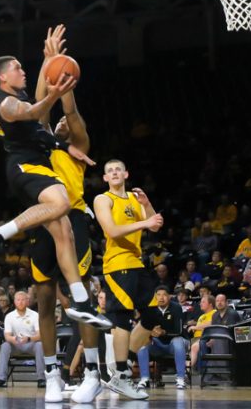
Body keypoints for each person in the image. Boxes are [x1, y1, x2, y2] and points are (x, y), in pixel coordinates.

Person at [0, 38, 108, 331]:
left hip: (36, 165)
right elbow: (35, 111)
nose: (22, 70)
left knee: (65, 235)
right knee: (61, 203)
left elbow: (36, 104)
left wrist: (49, 60)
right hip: (25, 166)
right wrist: (56, 93)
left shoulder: (19, 95)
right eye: (17, 67)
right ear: (2, 76)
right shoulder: (6, 103)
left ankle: (81, 302)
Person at [30, 24, 105, 403]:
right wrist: (47, 64)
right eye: (54, 121)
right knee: (44, 299)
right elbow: (38, 111)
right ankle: (53, 377)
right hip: (41, 219)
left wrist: (65, 80)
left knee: (81, 300)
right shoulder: (41, 142)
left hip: (73, 218)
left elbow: (69, 112)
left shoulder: (77, 141)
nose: (59, 121)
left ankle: (92, 373)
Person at [94, 159, 163, 400]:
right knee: (121, 317)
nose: (114, 173)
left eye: (117, 169)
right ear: (105, 178)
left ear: (126, 173)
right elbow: (112, 231)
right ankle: (122, 375)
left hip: (137, 263)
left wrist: (147, 204)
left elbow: (154, 226)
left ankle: (121, 370)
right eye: (109, 171)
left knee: (154, 315)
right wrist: (144, 222)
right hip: (117, 265)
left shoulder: (135, 198)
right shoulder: (103, 199)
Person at [135, 285, 189, 390]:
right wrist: (151, 332)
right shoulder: (150, 309)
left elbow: (179, 331)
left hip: (174, 343)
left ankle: (181, 379)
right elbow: (143, 329)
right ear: (154, 297)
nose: (161, 297)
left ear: (170, 297)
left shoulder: (177, 308)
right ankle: (145, 379)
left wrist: (163, 332)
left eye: (164, 295)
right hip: (157, 344)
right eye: (158, 295)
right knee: (142, 343)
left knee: (177, 341)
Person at [0, 290, 45, 387]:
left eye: (23, 300)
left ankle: (41, 378)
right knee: (5, 345)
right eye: (18, 300)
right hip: (16, 344)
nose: (20, 302)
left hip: (31, 343)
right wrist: (12, 339)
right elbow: (7, 335)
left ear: (28, 301)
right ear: (14, 302)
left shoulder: (35, 315)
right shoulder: (9, 316)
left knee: (40, 345)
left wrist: (29, 339)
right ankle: (1, 378)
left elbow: (40, 335)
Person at [186, 295, 215, 374]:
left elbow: (211, 323)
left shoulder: (214, 313)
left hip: (206, 338)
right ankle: (188, 370)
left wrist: (196, 327)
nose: (200, 304)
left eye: (203, 302)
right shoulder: (201, 316)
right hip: (196, 338)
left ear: (210, 304)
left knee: (195, 347)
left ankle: (187, 370)